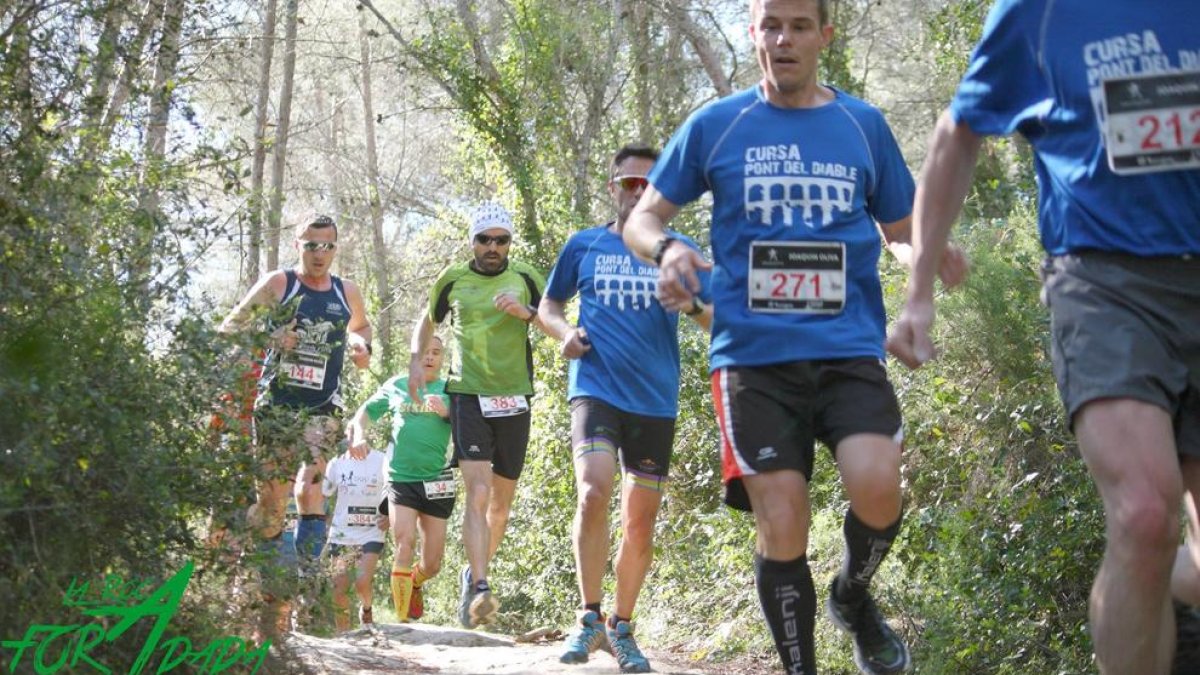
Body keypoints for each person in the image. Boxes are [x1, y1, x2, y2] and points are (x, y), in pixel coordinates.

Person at [621, 1, 966, 672]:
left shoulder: (860, 125)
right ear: (752, 34)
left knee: (879, 484)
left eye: (799, 25)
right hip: (752, 358)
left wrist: (926, 253)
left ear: (823, 37)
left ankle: (852, 596)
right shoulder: (717, 125)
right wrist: (665, 250)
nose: (783, 38)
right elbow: (643, 217)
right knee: (782, 521)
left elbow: (898, 232)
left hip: (847, 348)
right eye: (770, 25)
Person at [884, 2, 1199, 673]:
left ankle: (1165, 592)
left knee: (1171, 549)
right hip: (1104, 281)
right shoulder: (1041, 10)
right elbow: (958, 134)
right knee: (1146, 511)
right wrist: (919, 294)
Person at [538, 143, 712, 673]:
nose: (636, 191)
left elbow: (714, 320)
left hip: (655, 398)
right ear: (612, 188)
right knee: (593, 491)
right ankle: (588, 616)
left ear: (659, 191)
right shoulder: (584, 245)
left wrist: (695, 304)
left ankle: (622, 626)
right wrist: (564, 333)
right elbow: (549, 304)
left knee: (640, 521)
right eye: (627, 183)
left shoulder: (679, 249)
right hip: (595, 387)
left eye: (646, 184)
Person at [219, 212, 372, 637]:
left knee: (311, 488)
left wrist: (363, 345)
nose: (319, 254)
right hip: (276, 409)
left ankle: (306, 590)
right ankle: (264, 594)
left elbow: (361, 326)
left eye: (327, 246)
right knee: (271, 507)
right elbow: (230, 327)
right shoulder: (278, 284)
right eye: (311, 245)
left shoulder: (347, 292)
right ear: (297, 245)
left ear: (336, 248)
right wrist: (269, 340)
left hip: (323, 406)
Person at [407, 202, 547, 629]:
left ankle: (472, 574)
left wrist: (527, 315)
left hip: (515, 397)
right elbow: (427, 322)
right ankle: (483, 586)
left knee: (500, 507)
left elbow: (554, 322)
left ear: (509, 243)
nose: (492, 247)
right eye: (484, 239)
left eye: (500, 240)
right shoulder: (453, 279)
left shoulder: (526, 278)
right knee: (479, 492)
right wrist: (416, 360)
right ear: (473, 241)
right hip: (468, 394)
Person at [345, 335, 455, 624]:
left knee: (432, 564)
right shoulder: (397, 385)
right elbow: (364, 414)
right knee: (404, 541)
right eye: (425, 352)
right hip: (400, 478)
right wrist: (359, 434)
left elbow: (473, 426)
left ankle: (416, 581)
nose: (430, 357)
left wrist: (448, 413)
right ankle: (403, 620)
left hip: (437, 480)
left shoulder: (451, 389)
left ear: (442, 358)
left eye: (437, 352)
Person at [322, 445, 388, 631]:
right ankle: (343, 636)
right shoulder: (336, 462)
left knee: (362, 582)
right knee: (338, 588)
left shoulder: (382, 460)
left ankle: (366, 608)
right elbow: (324, 493)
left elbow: (395, 489)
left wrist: (390, 515)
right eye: (349, 434)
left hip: (371, 531)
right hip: (342, 532)